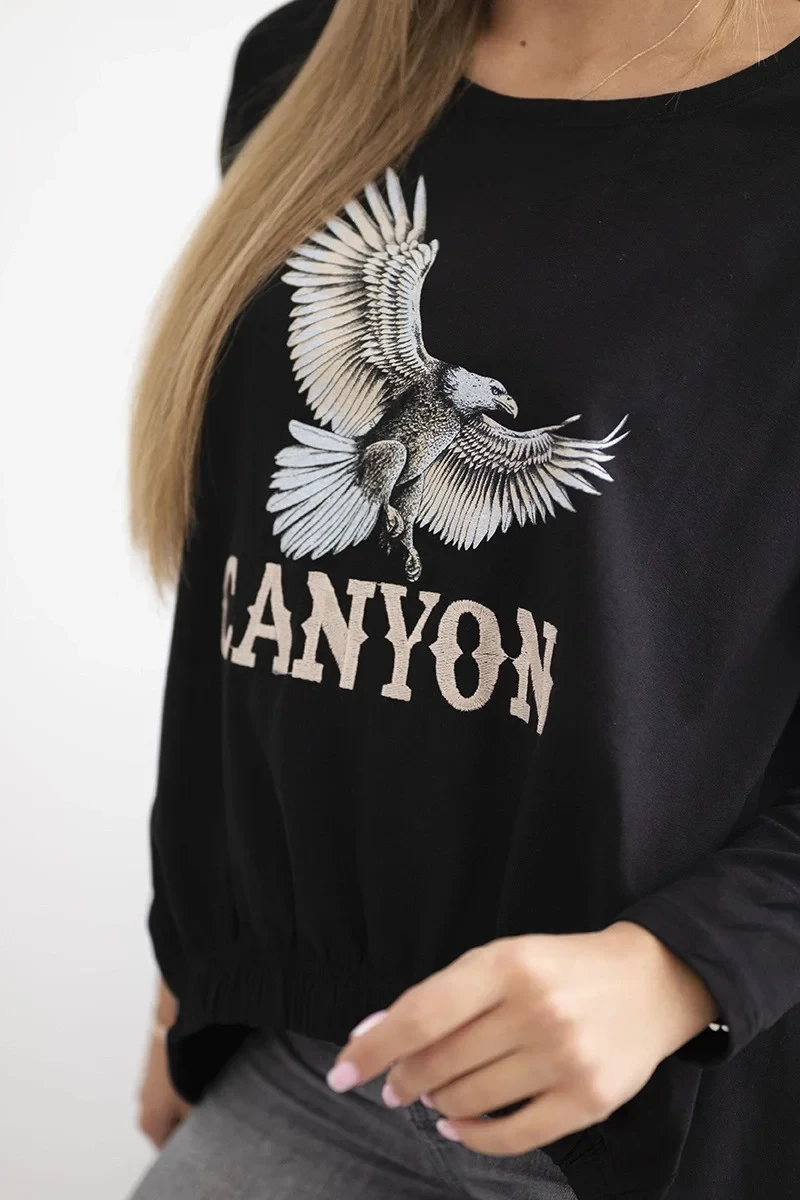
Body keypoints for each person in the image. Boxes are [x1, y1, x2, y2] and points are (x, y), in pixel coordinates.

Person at [126, 1, 800, 1197]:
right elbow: (238, 563)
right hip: (301, 1053)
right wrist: (204, 950)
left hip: (657, 1120)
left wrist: (680, 966)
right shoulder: (311, 62)